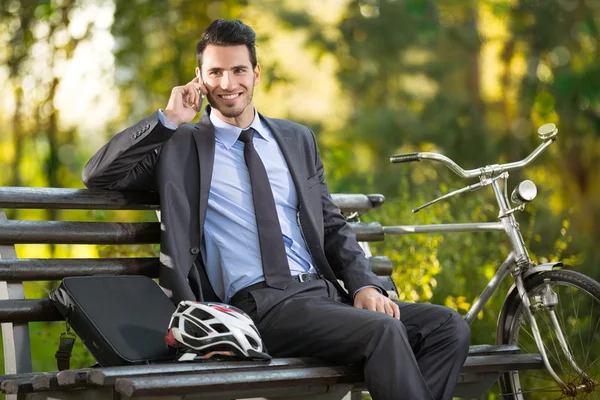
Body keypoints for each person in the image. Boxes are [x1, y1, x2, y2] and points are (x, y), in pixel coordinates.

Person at [83, 18, 470, 400]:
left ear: (256, 73)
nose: (228, 83)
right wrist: (168, 120)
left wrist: (364, 285)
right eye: (215, 72)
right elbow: (98, 174)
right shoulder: (179, 146)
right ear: (199, 77)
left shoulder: (296, 139)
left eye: (238, 70)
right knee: (383, 332)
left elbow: (331, 224)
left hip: (324, 297)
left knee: (448, 327)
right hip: (259, 307)